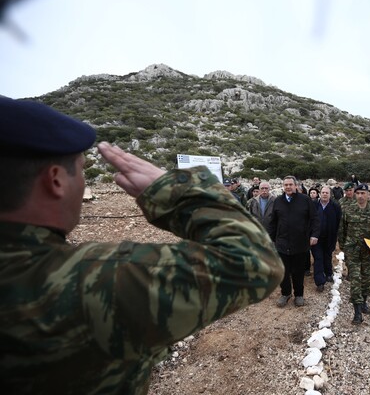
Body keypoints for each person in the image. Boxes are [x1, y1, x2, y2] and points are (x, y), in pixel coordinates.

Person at [0, 98, 284, 394]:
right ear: (56, 180)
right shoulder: (90, 281)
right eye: (82, 171)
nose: (83, 184)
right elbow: (255, 260)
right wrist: (179, 193)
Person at [338, 183, 370, 325]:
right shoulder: (348, 210)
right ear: (355, 194)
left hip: (368, 251)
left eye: (363, 193)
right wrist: (343, 246)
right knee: (355, 279)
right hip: (352, 250)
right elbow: (341, 229)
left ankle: (364, 301)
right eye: (358, 193)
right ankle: (357, 312)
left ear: (369, 195)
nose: (360, 196)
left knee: (366, 278)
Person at [268, 176, 319, 308]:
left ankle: (299, 295)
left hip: (300, 243)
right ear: (283, 186)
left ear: (295, 186)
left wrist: (314, 235)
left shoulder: (305, 200)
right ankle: (285, 294)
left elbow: (315, 219)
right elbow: (273, 221)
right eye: (286, 185)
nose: (288, 187)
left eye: (291, 184)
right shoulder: (278, 201)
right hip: (282, 243)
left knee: (298, 271)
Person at [310, 186, 342, 292]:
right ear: (319, 194)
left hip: (330, 237)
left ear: (330, 195)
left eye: (326, 193)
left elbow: (338, 222)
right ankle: (320, 282)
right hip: (316, 238)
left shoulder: (335, 206)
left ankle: (328, 273)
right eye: (323, 192)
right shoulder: (314, 205)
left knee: (327, 255)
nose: (324, 194)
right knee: (318, 258)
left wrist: (336, 236)